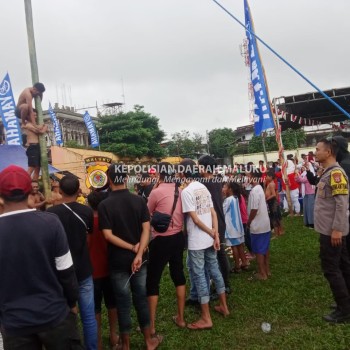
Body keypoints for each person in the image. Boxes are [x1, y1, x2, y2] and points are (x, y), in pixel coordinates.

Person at [0, 165, 82, 349]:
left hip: (15, 324)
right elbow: (66, 271)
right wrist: (72, 302)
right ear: (30, 190)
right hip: (55, 315)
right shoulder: (50, 222)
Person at [98, 163, 162, 350]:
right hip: (139, 260)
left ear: (109, 180)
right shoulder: (138, 200)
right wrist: (139, 252)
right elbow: (146, 229)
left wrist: (132, 249)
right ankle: (149, 341)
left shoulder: (104, 205)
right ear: (125, 178)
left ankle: (125, 345)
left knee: (122, 301)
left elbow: (108, 235)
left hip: (118, 260)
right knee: (141, 298)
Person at [47, 175, 97, 349]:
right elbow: (89, 240)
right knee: (89, 317)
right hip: (83, 269)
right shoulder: (87, 212)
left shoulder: (50, 214)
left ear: (59, 191)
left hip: (60, 273)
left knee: (66, 316)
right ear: (78, 191)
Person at [179, 159, 229, 330]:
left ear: (183, 173)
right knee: (214, 270)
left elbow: (194, 219)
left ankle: (206, 317)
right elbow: (213, 212)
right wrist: (215, 233)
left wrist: (210, 232)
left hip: (198, 240)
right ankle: (224, 306)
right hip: (209, 238)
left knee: (200, 276)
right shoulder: (203, 188)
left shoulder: (186, 192)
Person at [146, 162, 186, 335]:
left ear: (160, 175)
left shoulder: (155, 192)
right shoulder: (181, 191)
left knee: (153, 280)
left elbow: (147, 213)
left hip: (160, 240)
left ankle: (151, 325)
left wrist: (156, 187)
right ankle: (181, 318)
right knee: (178, 275)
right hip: (178, 238)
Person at [314, 138, 350, 323]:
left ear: (328, 152)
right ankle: (346, 303)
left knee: (331, 269)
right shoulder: (328, 172)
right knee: (343, 266)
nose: (315, 152)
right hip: (330, 230)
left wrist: (337, 229)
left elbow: (341, 204)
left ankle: (343, 310)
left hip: (332, 232)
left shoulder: (336, 174)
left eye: (318, 149)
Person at [87, 191, 119, 350]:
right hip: (110, 269)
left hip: (92, 273)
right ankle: (114, 336)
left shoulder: (86, 224)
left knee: (95, 308)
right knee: (112, 304)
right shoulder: (110, 223)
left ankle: (98, 341)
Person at [198, 155, 231, 293]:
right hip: (219, 221)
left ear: (205, 168)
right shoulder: (216, 181)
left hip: (213, 222)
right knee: (219, 253)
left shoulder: (204, 184)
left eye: (199, 166)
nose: (197, 168)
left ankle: (224, 284)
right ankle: (222, 282)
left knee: (218, 254)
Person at [246, 170, 271, 280]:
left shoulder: (255, 191)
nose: (247, 179)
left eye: (248, 176)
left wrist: (249, 221)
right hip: (264, 223)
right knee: (265, 248)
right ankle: (267, 270)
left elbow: (254, 209)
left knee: (259, 250)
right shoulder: (260, 188)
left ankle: (262, 273)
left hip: (258, 225)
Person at [222, 181, 249, 273]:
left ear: (230, 189)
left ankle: (237, 266)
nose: (223, 189)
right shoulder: (236, 198)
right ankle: (244, 263)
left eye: (225, 187)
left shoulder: (228, 200)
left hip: (231, 227)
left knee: (234, 247)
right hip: (238, 226)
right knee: (240, 245)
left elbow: (223, 212)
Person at [21, 108, 48, 180]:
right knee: (31, 168)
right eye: (33, 115)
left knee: (37, 169)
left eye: (36, 115)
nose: (35, 117)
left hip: (38, 147)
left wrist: (43, 126)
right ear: (28, 116)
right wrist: (45, 126)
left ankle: (34, 185)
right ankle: (23, 183)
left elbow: (40, 128)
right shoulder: (28, 125)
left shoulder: (34, 125)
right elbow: (40, 131)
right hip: (32, 147)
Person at [265, 170, 283, 236]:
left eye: (267, 176)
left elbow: (274, 194)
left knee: (274, 217)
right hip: (272, 202)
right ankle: (280, 231)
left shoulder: (271, 184)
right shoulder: (269, 184)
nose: (266, 178)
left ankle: (277, 233)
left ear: (271, 177)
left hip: (272, 202)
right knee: (277, 216)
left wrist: (266, 199)